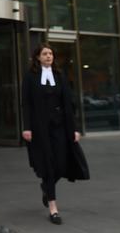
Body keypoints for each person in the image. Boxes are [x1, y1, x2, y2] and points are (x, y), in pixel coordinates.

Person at [21, 44, 89, 225]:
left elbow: (69, 104)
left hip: (60, 127)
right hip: (40, 129)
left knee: (60, 163)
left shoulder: (60, 76)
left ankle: (46, 187)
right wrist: (26, 127)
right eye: (44, 53)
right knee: (48, 166)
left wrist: (74, 129)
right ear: (37, 57)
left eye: (50, 53)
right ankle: (53, 208)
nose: (48, 56)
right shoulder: (30, 78)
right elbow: (26, 104)